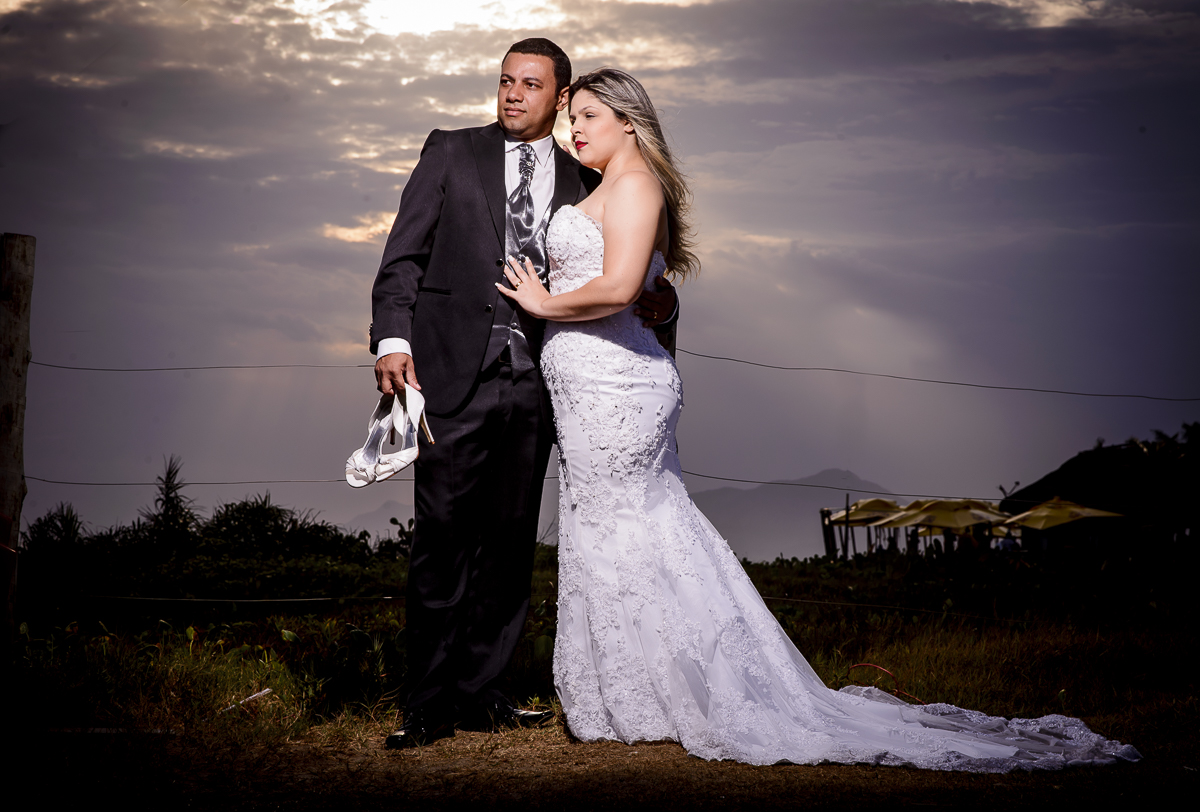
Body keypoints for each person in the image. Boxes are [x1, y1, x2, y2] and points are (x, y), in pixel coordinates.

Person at [496, 67, 1139, 770]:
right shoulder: (606, 188)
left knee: (643, 525)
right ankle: (629, 694)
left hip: (620, 390)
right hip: (588, 389)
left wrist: (544, 305)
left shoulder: (638, 183)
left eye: (589, 114)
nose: (575, 127)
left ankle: (691, 692)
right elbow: (650, 288)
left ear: (628, 120)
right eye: (572, 117)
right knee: (602, 528)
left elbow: (619, 288)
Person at [370, 41, 679, 750]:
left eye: (530, 84)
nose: (512, 94)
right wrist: (392, 339)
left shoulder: (589, 173)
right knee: (442, 539)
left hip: (545, 383)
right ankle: (427, 704)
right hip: (450, 375)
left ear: (561, 95)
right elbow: (403, 257)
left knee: (511, 547)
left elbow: (636, 269)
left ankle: (487, 695)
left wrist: (661, 305)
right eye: (505, 81)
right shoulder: (450, 151)